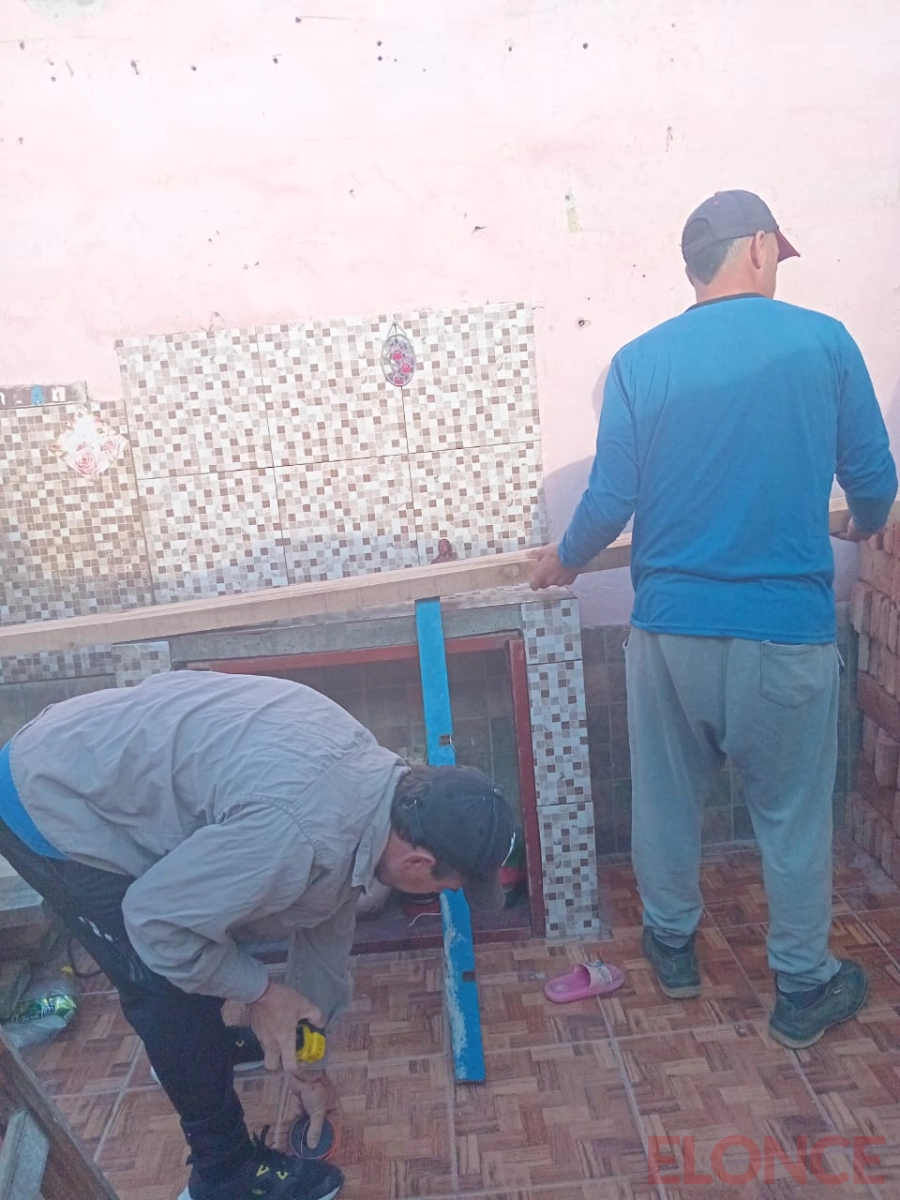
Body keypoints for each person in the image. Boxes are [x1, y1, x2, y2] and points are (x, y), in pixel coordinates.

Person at [530, 189, 897, 1050]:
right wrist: (868, 518)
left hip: (668, 632)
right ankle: (803, 987)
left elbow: (612, 495)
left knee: (666, 798)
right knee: (792, 815)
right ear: (762, 248)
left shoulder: (638, 360)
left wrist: (566, 559)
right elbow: (873, 479)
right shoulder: (823, 342)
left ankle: (672, 947)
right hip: (782, 633)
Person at [0, 669, 515, 1200]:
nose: (448, 895)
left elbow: (323, 949)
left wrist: (308, 1062)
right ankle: (223, 1175)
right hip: (50, 799)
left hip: (104, 758)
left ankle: (210, 1049)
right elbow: (156, 922)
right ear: (418, 860)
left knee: (208, 939)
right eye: (451, 885)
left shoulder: (369, 796)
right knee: (164, 983)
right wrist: (262, 994)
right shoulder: (299, 833)